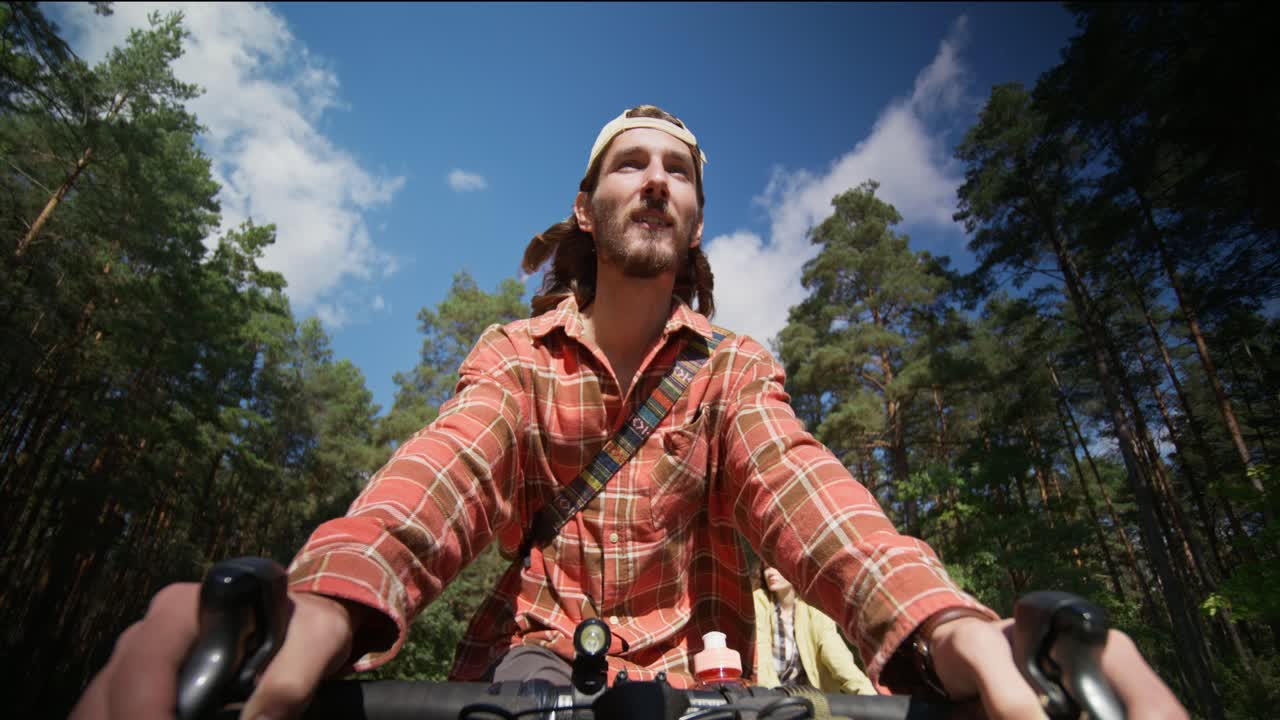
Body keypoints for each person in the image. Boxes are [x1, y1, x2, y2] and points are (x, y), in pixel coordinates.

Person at [70, 105, 1188, 720]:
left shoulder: (733, 370)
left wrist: (952, 630)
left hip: (711, 688)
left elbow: (812, 497)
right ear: (584, 206)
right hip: (519, 679)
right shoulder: (513, 357)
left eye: (678, 171)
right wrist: (320, 600)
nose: (655, 179)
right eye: (630, 164)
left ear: (695, 219)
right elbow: (444, 471)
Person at [754, 564, 875, 695]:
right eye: (767, 568)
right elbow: (761, 655)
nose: (770, 572)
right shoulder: (759, 601)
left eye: (776, 566)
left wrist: (866, 692)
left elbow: (834, 652)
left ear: (793, 570)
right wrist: (773, 697)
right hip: (773, 695)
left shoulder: (814, 606)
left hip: (810, 695)